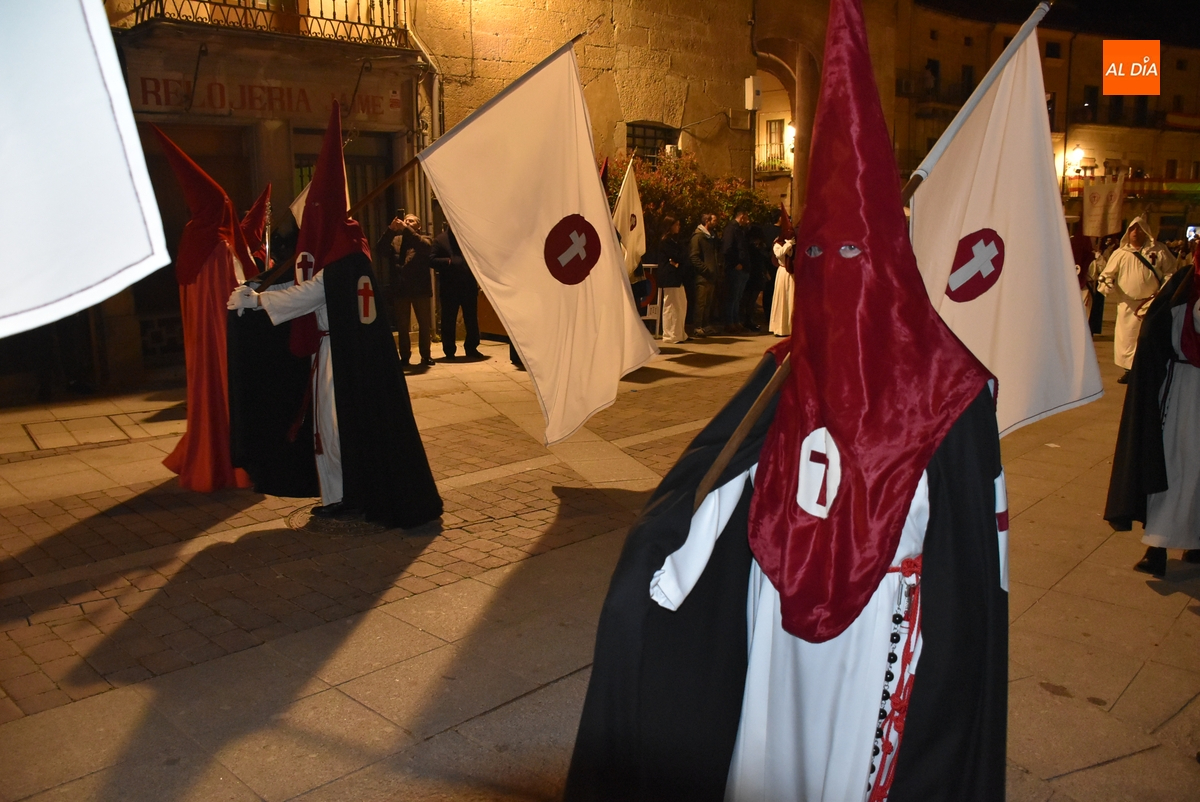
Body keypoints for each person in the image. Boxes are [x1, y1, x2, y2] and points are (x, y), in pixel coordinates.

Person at [566, 1, 1006, 798]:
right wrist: (659, 571)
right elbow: (718, 487)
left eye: (853, 252)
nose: (833, 271)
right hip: (774, 626)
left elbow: (974, 576)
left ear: (890, 259)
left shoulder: (952, 389)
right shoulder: (786, 371)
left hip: (880, 636)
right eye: (817, 253)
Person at [227, 102, 442, 529]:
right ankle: (344, 493)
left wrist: (256, 302)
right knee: (331, 429)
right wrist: (259, 290)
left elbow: (308, 294)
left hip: (337, 356)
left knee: (332, 429)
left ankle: (346, 495)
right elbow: (308, 286)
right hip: (338, 352)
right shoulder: (347, 256)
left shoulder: (342, 264)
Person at [1105, 251, 1200, 577]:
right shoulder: (1184, 285)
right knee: (1172, 463)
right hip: (1181, 389)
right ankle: (1157, 545)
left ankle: (1195, 541)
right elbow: (1157, 331)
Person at [1098, 216, 1178, 383]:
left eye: (1139, 229)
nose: (1135, 232)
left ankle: (1147, 370)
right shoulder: (1120, 253)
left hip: (1151, 303)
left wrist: (1163, 292)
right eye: (1132, 229)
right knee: (1127, 338)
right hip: (1127, 304)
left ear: (1145, 231)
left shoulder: (1159, 250)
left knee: (1148, 337)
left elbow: (1170, 271)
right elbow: (1107, 274)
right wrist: (1107, 285)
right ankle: (1129, 370)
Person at [378, 213, 436, 367]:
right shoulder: (396, 240)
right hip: (401, 289)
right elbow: (381, 250)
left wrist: (406, 230)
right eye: (406, 220)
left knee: (424, 324)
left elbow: (425, 248)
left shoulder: (425, 238)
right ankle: (404, 356)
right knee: (402, 326)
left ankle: (426, 355)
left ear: (419, 226)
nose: (407, 222)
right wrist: (390, 230)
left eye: (411, 221)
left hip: (420, 289)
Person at [431, 224, 481, 359]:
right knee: (448, 319)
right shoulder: (440, 240)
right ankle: (449, 350)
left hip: (468, 285)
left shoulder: (468, 238)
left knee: (471, 318)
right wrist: (448, 262)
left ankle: (472, 347)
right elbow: (431, 259)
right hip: (449, 287)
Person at [655, 216, 688, 344]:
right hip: (669, 277)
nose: (678, 227)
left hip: (677, 277)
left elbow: (681, 256)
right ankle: (671, 334)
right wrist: (675, 261)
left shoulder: (675, 241)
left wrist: (677, 261)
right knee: (672, 306)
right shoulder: (665, 241)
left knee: (681, 304)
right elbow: (676, 256)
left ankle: (679, 333)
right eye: (676, 224)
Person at [722, 209, 754, 334]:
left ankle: (736, 322)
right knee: (732, 296)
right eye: (746, 218)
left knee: (737, 297)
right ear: (741, 216)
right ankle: (730, 323)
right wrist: (735, 263)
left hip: (743, 268)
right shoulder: (731, 229)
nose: (748, 221)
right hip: (736, 269)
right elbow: (727, 249)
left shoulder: (740, 230)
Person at [689, 213, 720, 336]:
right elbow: (694, 257)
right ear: (707, 221)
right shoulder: (698, 237)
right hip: (702, 276)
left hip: (711, 276)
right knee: (700, 303)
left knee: (708, 303)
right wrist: (706, 270)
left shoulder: (711, 237)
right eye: (714, 220)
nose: (716, 223)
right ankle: (697, 326)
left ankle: (706, 325)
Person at [770, 233, 795, 336]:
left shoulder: (794, 244)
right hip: (783, 273)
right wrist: (788, 245)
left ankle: (791, 328)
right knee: (782, 298)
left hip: (792, 274)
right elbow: (779, 254)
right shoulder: (777, 244)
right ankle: (780, 328)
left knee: (791, 299)